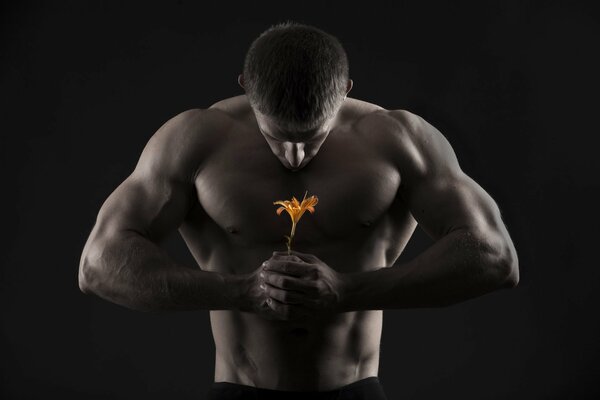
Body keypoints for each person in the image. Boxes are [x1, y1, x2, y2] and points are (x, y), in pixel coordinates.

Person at [78, 21, 519, 400]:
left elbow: (495, 257)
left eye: (312, 137)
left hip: (354, 390)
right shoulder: (195, 140)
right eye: (277, 136)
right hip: (239, 390)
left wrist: (347, 292)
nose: (294, 156)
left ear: (344, 91)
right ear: (246, 87)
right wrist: (240, 293)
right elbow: (98, 265)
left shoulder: (397, 140)